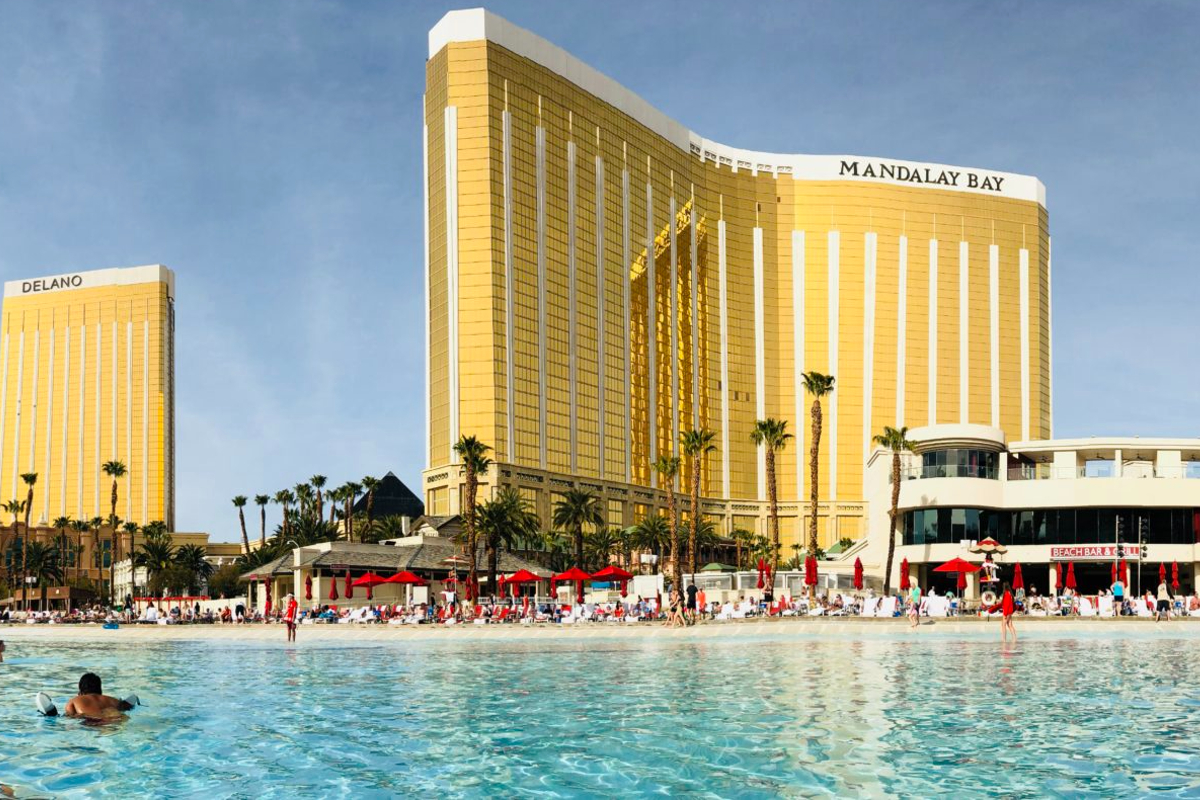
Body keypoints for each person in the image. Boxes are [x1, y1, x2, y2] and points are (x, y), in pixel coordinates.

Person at [61, 673, 136, 720]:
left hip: (94, 722)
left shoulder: (74, 701)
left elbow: (69, 719)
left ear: (80, 691)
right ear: (100, 689)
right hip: (119, 719)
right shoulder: (114, 700)